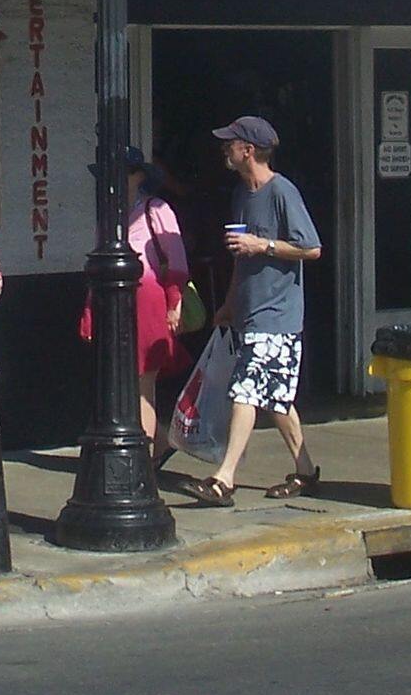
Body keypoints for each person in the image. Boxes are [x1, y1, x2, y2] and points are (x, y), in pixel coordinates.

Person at [200, 113, 323, 508]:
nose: (225, 149)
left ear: (248, 150)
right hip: (251, 310)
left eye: (230, 143)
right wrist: (230, 303)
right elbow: (241, 258)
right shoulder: (241, 195)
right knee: (277, 398)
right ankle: (305, 470)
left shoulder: (282, 192)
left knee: (246, 389)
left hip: (279, 314)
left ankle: (225, 478)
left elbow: (312, 248)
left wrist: (264, 245)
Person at [78, 147, 189, 470]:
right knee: (123, 381)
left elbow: (177, 262)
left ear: (139, 176)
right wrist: (89, 311)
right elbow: (97, 264)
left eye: (124, 172)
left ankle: (143, 460)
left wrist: (174, 303)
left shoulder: (156, 209)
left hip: (149, 301)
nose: (115, 181)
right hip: (113, 303)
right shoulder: (110, 216)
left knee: (143, 385)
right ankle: (158, 444)